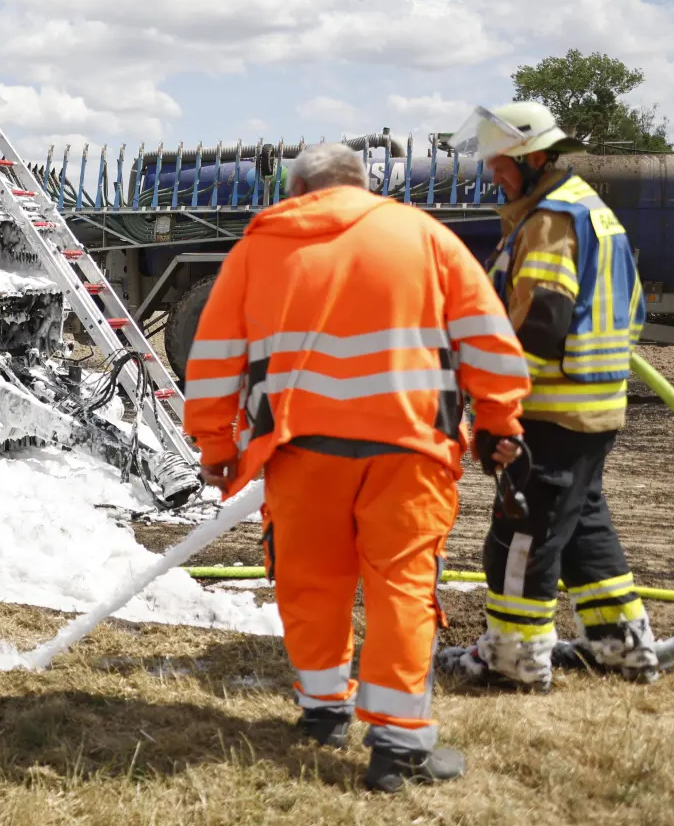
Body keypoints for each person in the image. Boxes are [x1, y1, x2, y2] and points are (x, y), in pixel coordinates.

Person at [183, 143, 530, 793]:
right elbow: (489, 339)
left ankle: (322, 713)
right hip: (409, 450)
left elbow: (215, 356)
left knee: (310, 583)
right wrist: (499, 422)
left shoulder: (260, 246)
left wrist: (215, 446)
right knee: (402, 589)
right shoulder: (423, 235)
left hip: (302, 451)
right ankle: (399, 748)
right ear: (362, 184)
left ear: (301, 188)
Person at [436, 102, 664, 689]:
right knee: (586, 530)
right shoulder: (589, 210)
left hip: (551, 408)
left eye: (501, 163)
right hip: (592, 406)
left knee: (520, 538)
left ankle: (513, 659)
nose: (493, 175)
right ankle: (621, 646)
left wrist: (497, 408)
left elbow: (541, 322)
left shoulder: (550, 219)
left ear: (534, 156)